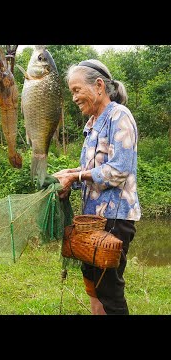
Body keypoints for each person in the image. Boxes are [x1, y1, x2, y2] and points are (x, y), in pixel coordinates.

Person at [53, 59, 141, 315]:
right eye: (72, 91)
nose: (74, 97)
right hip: (91, 219)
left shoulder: (119, 116)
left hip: (115, 218)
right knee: (92, 285)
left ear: (99, 86)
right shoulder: (91, 125)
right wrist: (70, 176)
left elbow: (119, 170)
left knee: (109, 292)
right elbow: (92, 170)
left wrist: (77, 176)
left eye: (77, 90)